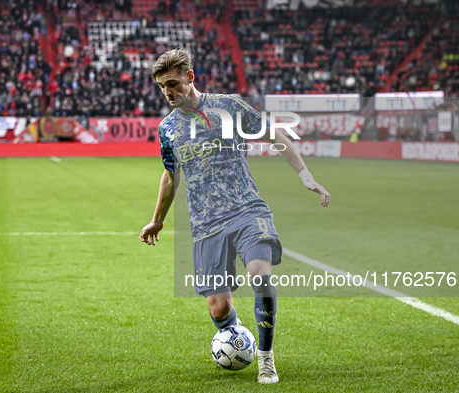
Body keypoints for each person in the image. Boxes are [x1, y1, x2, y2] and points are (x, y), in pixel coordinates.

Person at [139, 48, 330, 384]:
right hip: (205, 225)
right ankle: (234, 334)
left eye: (172, 83)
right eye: (161, 87)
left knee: (261, 275)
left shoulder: (228, 106)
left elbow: (275, 135)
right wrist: (158, 219)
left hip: (246, 209)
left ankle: (266, 358)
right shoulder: (167, 128)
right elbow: (170, 176)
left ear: (190, 78)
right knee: (219, 309)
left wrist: (306, 176)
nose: (167, 92)